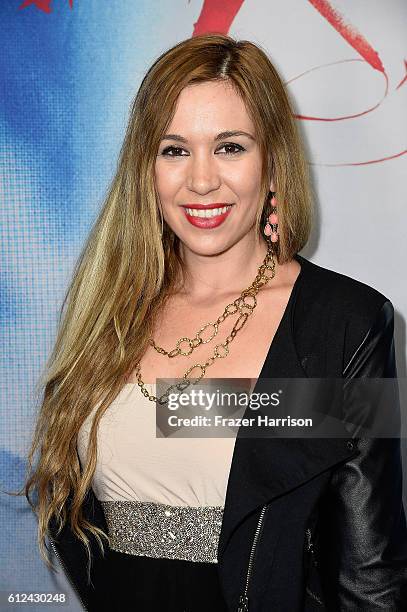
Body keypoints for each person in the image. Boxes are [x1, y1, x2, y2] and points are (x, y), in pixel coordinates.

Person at [23, 33, 407, 611]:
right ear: (145, 169)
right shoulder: (107, 309)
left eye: (229, 147)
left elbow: (370, 571)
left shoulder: (348, 325)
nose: (201, 180)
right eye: (174, 149)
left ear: (273, 162)